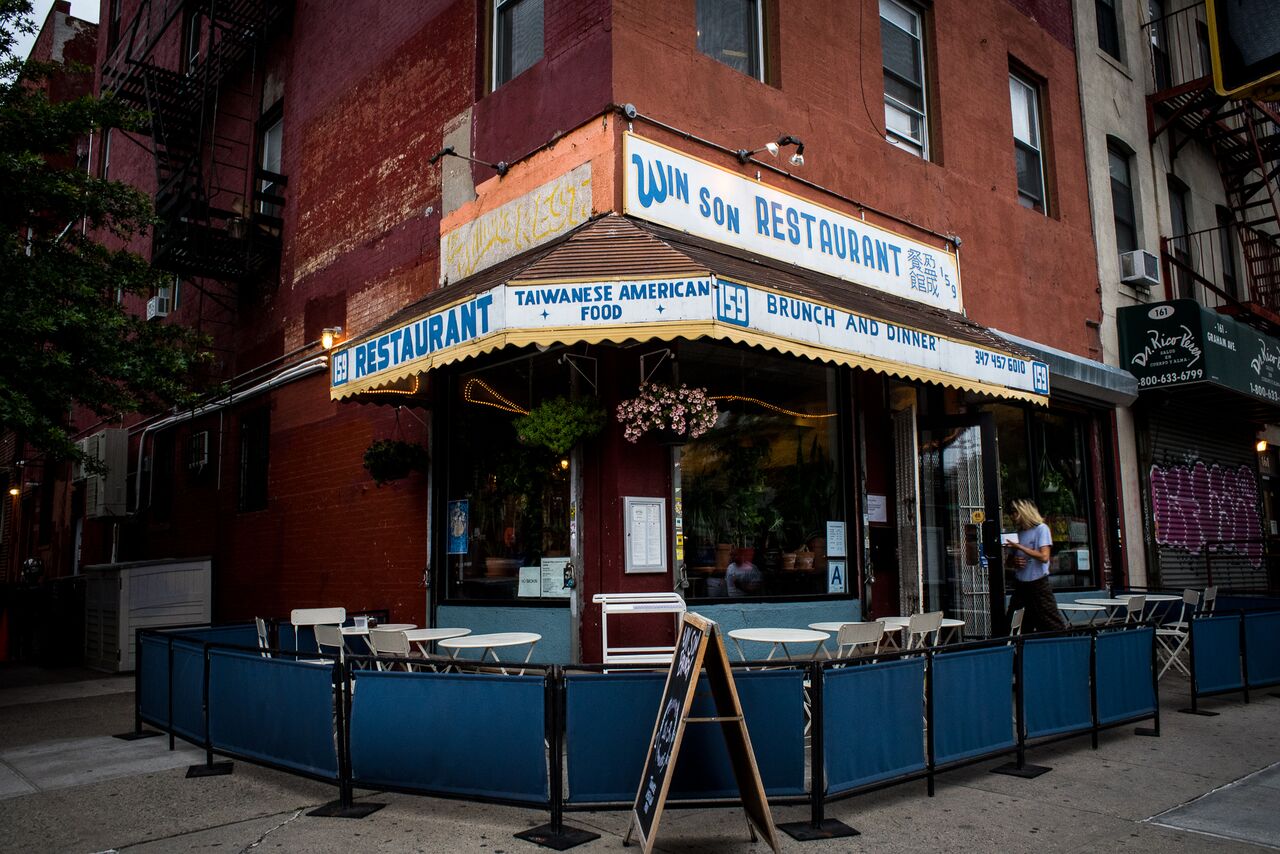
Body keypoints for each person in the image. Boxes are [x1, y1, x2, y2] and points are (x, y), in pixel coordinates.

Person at [1004, 499, 1068, 632]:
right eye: (1010, 513)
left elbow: (1044, 557)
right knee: (1013, 621)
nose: (1012, 517)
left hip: (1038, 583)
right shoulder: (1018, 533)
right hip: (1021, 583)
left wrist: (1019, 546)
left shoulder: (1041, 529)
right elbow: (1008, 561)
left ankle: (1060, 645)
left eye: (1014, 512)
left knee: (1050, 621)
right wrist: (1014, 561)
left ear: (1023, 512)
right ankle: (1017, 648)